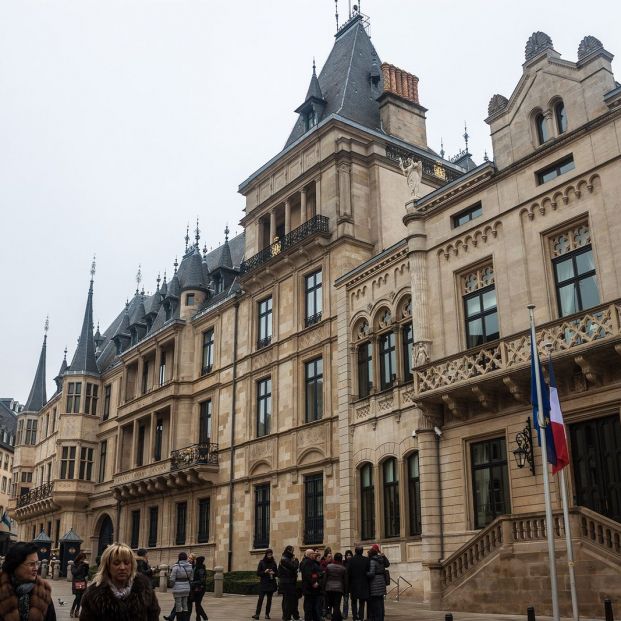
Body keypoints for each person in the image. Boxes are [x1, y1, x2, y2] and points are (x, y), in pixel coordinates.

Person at [78, 542, 160, 621]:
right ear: (107, 566)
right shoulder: (93, 595)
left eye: (127, 563)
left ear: (132, 565)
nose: (122, 567)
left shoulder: (145, 590)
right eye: (116, 563)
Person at [0, 541, 56, 621]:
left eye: (37, 563)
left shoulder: (43, 592)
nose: (36, 568)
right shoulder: (2, 589)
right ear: (15, 565)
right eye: (31, 564)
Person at [252, 549, 277, 619]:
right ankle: (257, 614)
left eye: (271, 554)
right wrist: (265, 572)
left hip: (271, 583)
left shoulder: (273, 563)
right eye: (268, 554)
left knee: (269, 600)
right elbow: (258, 573)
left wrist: (273, 573)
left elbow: (277, 573)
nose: (270, 555)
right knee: (260, 599)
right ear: (266, 554)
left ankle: (267, 614)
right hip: (263, 583)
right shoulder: (262, 562)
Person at [366, 545, 389, 621]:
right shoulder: (381, 559)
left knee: (376, 603)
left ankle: (377, 618)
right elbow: (387, 564)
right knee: (380, 602)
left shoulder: (372, 561)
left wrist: (366, 573)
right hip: (382, 581)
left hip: (375, 583)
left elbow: (372, 573)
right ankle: (381, 618)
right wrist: (384, 556)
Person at [322, 552, 347, 621]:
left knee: (332, 604)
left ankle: (336, 618)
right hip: (339, 589)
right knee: (336, 605)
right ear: (341, 559)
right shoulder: (343, 568)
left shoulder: (328, 566)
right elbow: (345, 581)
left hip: (329, 588)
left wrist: (323, 589)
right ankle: (336, 618)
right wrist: (345, 591)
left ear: (334, 558)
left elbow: (325, 578)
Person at [168, 552, 193, 621]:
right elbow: (191, 579)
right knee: (185, 605)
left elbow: (172, 579)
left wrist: (171, 585)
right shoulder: (190, 566)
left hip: (177, 588)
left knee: (178, 606)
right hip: (186, 588)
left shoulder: (176, 567)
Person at [347, 546, 370, 621]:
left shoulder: (351, 560)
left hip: (353, 585)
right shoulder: (366, 560)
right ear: (362, 551)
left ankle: (354, 617)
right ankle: (361, 617)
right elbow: (368, 572)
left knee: (353, 602)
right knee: (362, 602)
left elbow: (348, 573)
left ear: (355, 551)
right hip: (363, 584)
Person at [277, 545, 299, 621]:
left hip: (287, 582)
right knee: (287, 601)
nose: (293, 552)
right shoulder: (285, 559)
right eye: (292, 550)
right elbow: (294, 567)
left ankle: (288, 616)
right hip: (287, 583)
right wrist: (296, 561)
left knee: (288, 600)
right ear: (289, 550)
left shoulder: (285, 558)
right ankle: (286, 617)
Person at [300, 549, 322, 621]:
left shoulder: (308, 562)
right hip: (309, 589)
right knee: (309, 607)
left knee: (311, 606)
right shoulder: (308, 562)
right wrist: (314, 582)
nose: (315, 555)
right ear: (310, 555)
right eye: (313, 554)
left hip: (309, 589)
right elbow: (309, 575)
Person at [70, 552, 89, 618]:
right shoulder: (74, 564)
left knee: (80, 598)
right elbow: (74, 573)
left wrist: (87, 567)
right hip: (76, 582)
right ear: (79, 558)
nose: (83, 560)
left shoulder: (84, 565)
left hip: (82, 582)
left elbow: (86, 574)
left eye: (84, 559)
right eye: (82, 558)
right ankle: (72, 610)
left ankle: (77, 611)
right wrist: (81, 566)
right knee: (77, 597)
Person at [191, 556, 208, 621]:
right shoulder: (197, 567)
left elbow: (202, 580)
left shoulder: (201, 569)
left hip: (200, 588)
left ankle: (202, 617)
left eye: (196, 560)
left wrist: (193, 583)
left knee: (197, 604)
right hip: (196, 588)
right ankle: (199, 618)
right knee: (197, 604)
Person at [342, 550, 353, 619]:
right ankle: (345, 614)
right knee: (345, 600)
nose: (348, 556)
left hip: (352, 584)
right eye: (347, 555)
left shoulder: (354, 562)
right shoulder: (343, 563)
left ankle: (355, 613)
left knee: (353, 600)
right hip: (345, 585)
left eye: (350, 555)